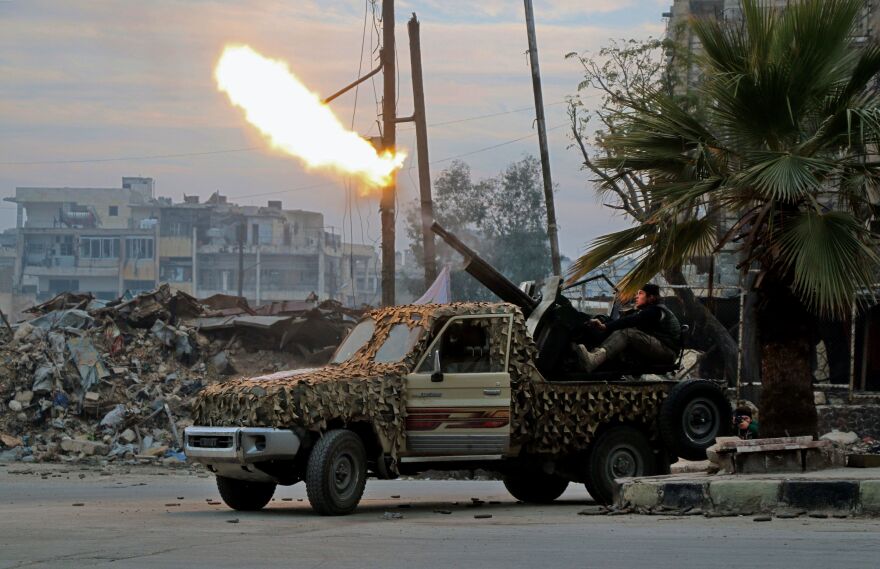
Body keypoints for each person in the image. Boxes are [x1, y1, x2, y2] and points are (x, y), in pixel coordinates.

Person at [575, 283, 682, 372]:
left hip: (668, 352)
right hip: (662, 348)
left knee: (627, 333)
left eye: (641, 294)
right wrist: (604, 323)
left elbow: (631, 321)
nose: (636, 296)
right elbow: (627, 320)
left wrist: (604, 326)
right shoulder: (648, 311)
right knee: (624, 330)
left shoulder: (656, 311)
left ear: (651, 297)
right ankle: (596, 355)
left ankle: (595, 360)